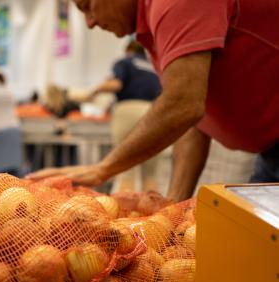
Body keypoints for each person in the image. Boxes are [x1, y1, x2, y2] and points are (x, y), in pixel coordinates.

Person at [29, 0, 279, 201]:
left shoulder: (173, 4)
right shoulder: (151, 26)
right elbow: (194, 121)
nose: (90, 22)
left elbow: (183, 103)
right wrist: (174, 205)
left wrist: (102, 169)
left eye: (87, 6)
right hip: (269, 154)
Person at [90, 40, 162, 192]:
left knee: (126, 169)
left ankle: (125, 213)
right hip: (153, 111)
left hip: (128, 111)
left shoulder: (124, 62)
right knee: (150, 172)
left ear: (129, 50)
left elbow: (116, 84)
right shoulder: (154, 68)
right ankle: (155, 213)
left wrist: (95, 90)